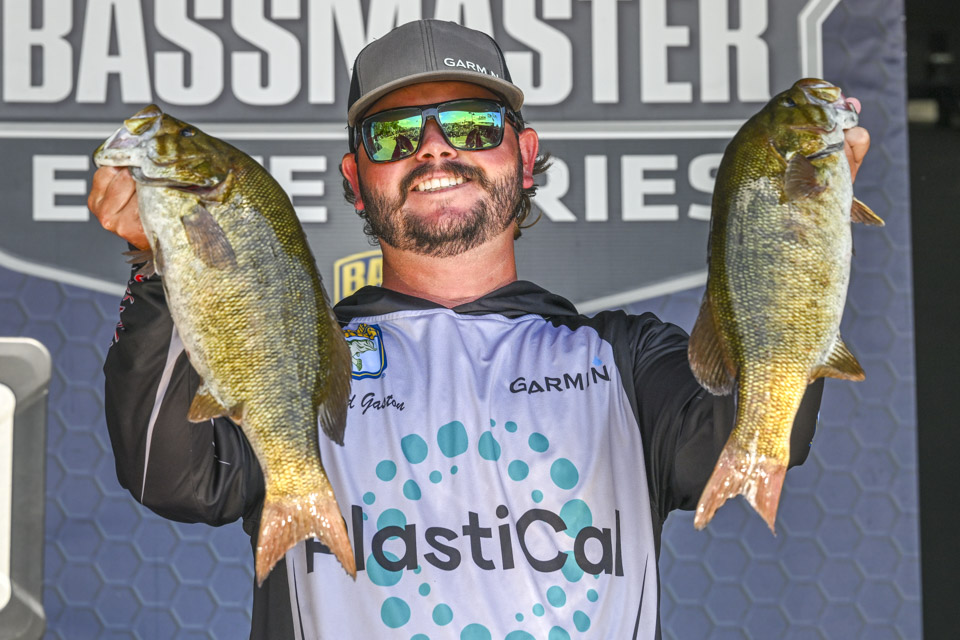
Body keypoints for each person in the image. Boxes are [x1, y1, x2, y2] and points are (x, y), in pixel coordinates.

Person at [89, 20, 870, 640]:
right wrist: (159, 264)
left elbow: (749, 438)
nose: (435, 148)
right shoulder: (296, 358)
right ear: (355, 178)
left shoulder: (627, 363)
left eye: (470, 124)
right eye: (394, 135)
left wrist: (804, 214)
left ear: (524, 155)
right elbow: (172, 475)